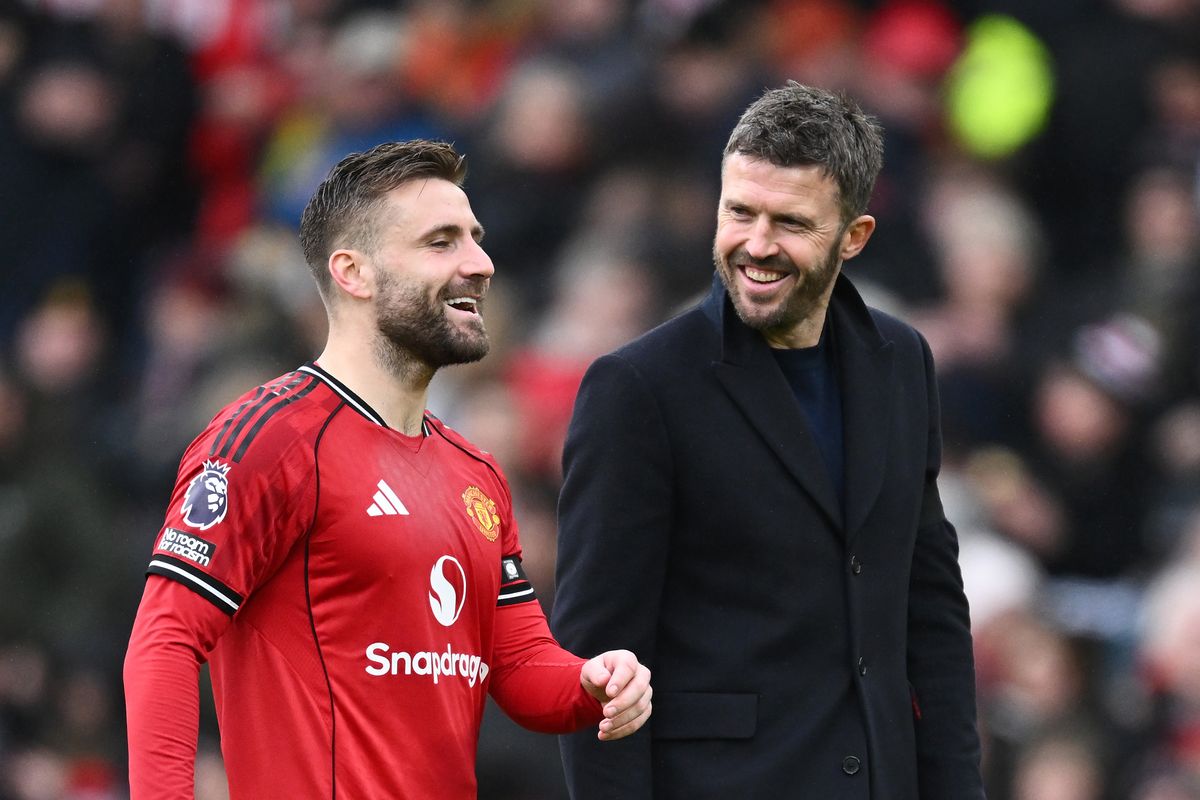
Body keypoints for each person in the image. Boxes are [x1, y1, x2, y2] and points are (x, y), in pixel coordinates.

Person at [123, 139, 652, 799]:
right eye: (441, 242)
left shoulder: (476, 473)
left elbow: (519, 665)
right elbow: (165, 639)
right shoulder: (271, 440)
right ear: (354, 272)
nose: (480, 263)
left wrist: (592, 682)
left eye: (476, 239)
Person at [551, 82, 984, 798]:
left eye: (790, 223)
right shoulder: (639, 388)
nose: (756, 245)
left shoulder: (902, 362)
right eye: (739, 212)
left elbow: (930, 610)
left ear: (854, 236)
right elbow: (597, 660)